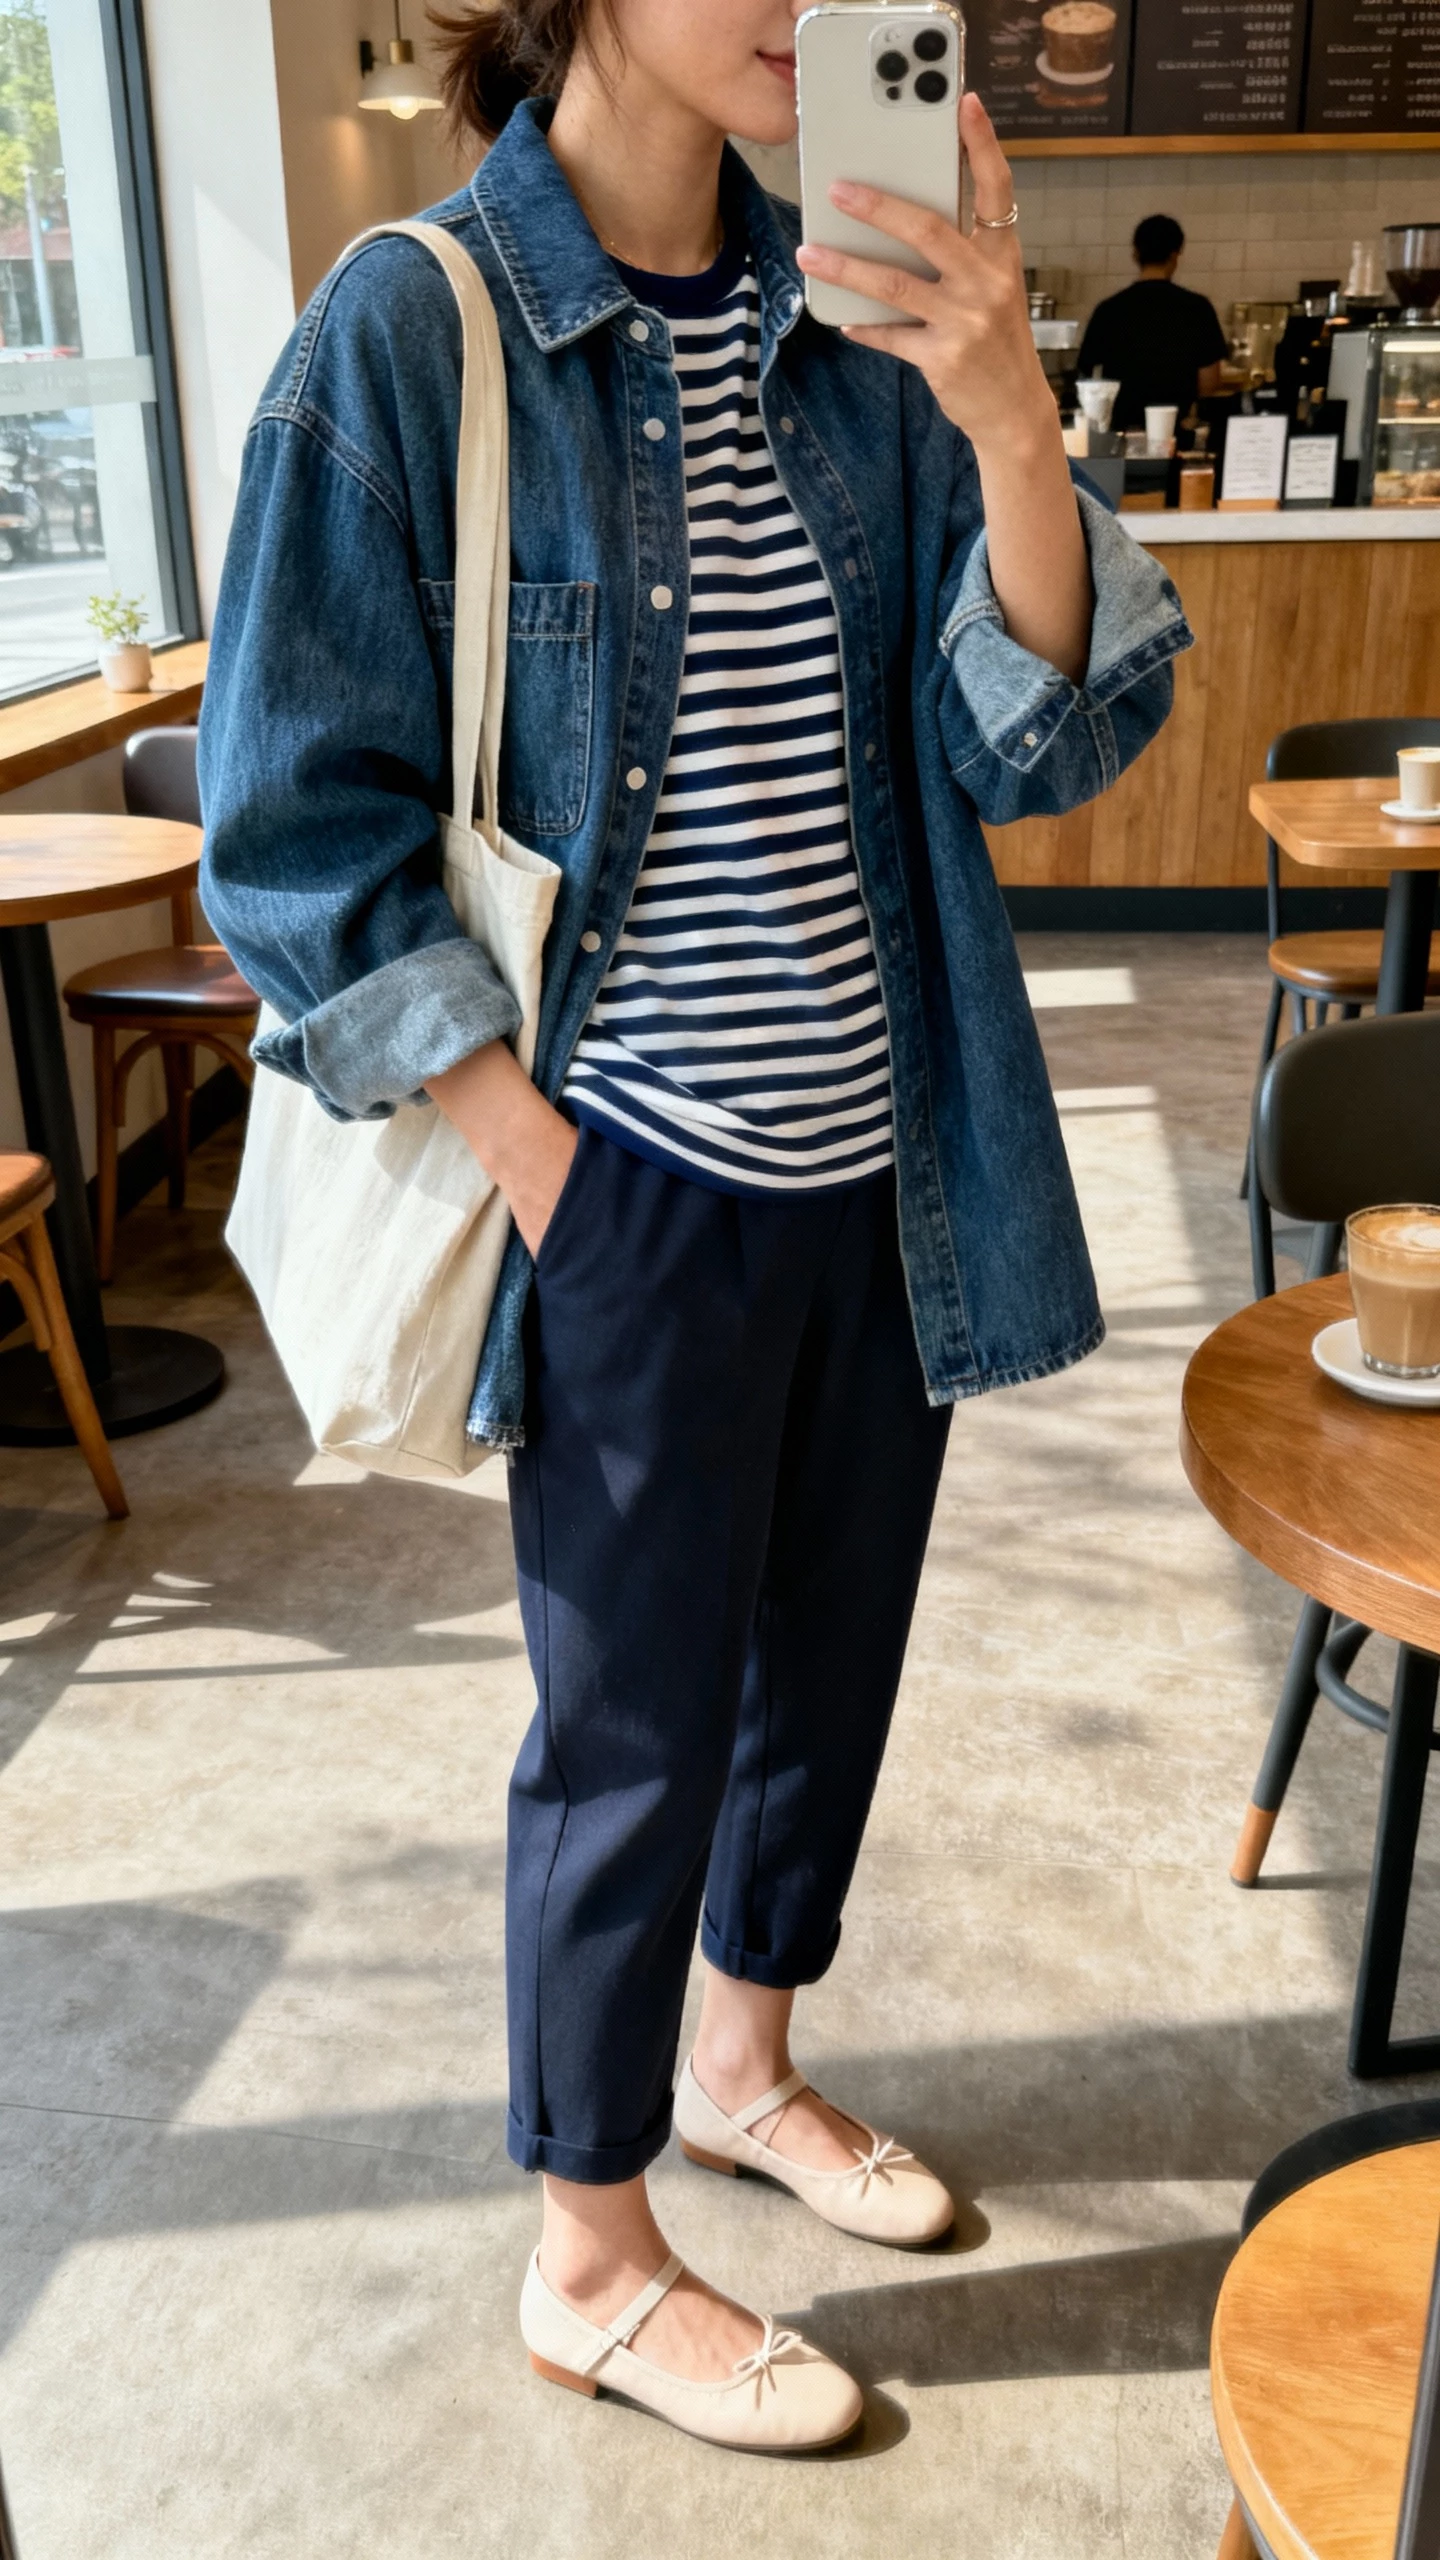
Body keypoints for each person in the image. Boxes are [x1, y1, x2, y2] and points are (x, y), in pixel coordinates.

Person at [199, 0, 1191, 2458]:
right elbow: (288, 827)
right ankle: (588, 2247)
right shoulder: (407, 326)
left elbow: (1022, 744)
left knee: (819, 1672)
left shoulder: (857, 324)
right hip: (626, 1183)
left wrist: (1000, 411)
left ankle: (743, 2061)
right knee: (627, 1734)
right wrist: (552, 1169)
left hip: (879, 1173)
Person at [1078, 214, 1228, 432]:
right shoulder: (1197, 308)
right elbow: (1209, 383)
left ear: (1135, 254)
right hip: (1177, 431)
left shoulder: (1108, 310)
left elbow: (1087, 375)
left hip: (1119, 432)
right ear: (1175, 255)